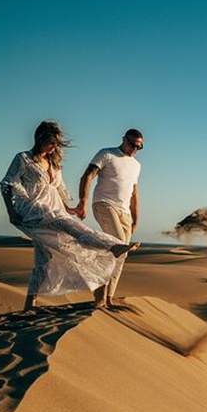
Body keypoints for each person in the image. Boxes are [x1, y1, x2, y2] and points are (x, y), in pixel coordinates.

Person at [0, 120, 140, 310]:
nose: (53, 147)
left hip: (54, 208)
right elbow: (7, 185)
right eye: (51, 142)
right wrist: (11, 213)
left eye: (56, 144)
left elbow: (57, 189)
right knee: (73, 228)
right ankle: (112, 246)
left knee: (44, 259)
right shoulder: (24, 158)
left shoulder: (53, 163)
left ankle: (29, 306)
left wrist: (70, 208)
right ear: (40, 138)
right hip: (34, 210)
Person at [75, 128, 143, 308]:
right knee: (120, 245)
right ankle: (99, 296)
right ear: (123, 139)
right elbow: (87, 175)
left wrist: (135, 219)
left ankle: (108, 298)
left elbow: (134, 193)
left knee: (121, 254)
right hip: (104, 204)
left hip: (125, 213)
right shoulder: (107, 154)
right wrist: (83, 200)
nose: (134, 149)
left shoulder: (136, 165)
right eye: (132, 144)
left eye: (139, 147)